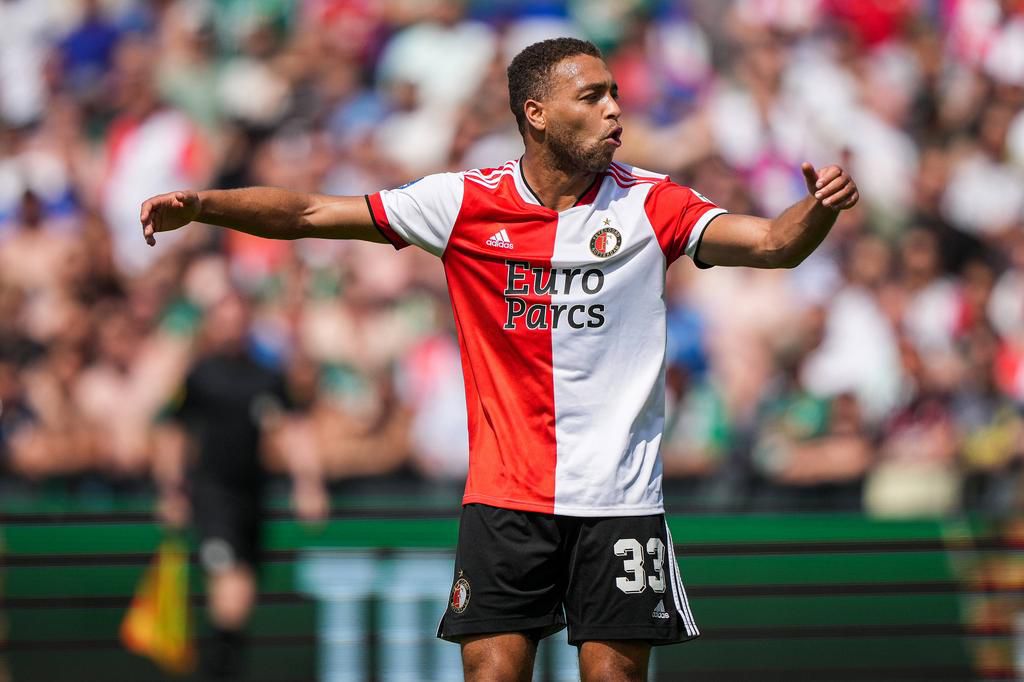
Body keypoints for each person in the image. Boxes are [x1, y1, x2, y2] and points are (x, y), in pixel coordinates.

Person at [141, 37, 858, 682]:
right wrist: (204, 205)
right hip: (506, 500)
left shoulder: (652, 204)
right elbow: (308, 213)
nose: (614, 109)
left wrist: (819, 207)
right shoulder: (462, 202)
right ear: (536, 114)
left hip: (619, 503)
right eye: (592, 96)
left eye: (615, 93)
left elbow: (772, 243)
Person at [155, 291, 326, 681]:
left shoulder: (267, 376)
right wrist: (172, 489)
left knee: (242, 594)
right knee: (229, 587)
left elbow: (294, 428)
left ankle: (221, 667)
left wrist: (308, 484)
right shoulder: (200, 375)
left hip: (251, 496)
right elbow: (174, 431)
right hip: (212, 496)